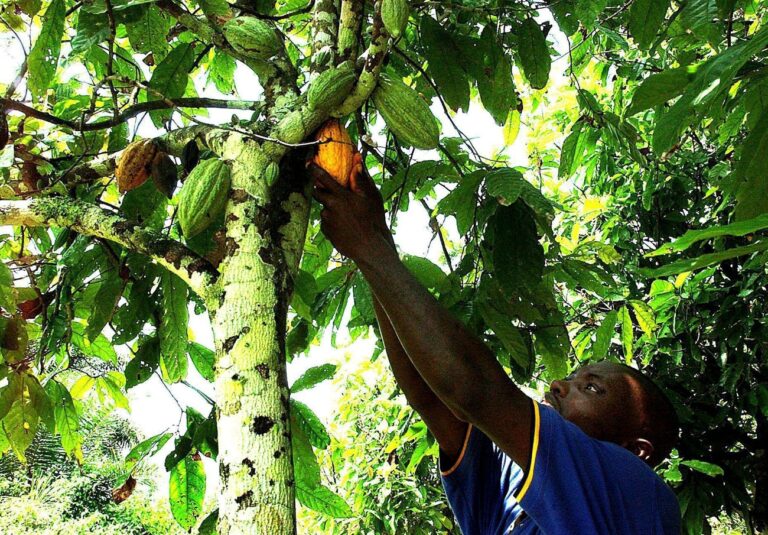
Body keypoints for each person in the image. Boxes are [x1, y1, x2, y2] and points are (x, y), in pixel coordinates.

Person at [310, 162, 681, 534]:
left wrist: (369, 247)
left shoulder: (643, 494)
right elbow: (437, 401)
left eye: (592, 388)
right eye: (574, 377)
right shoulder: (511, 490)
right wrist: (372, 239)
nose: (558, 385)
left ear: (637, 450)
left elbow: (474, 390)